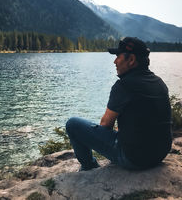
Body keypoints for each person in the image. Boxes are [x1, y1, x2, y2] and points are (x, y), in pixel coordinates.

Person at [66, 37, 172, 171]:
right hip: (159, 154)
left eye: (118, 56)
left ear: (131, 60)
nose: (115, 61)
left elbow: (106, 125)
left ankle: (89, 166)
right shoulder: (159, 82)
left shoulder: (124, 85)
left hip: (134, 159)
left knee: (73, 124)